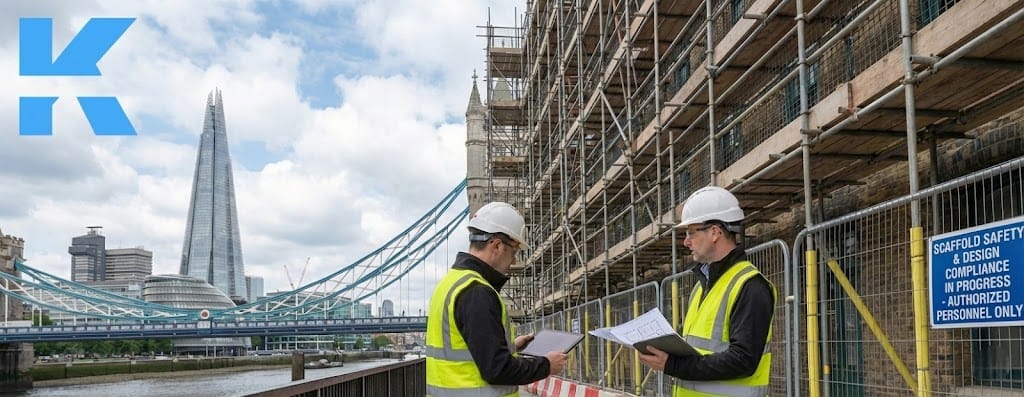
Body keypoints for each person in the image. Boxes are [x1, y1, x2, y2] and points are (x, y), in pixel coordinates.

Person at [637, 186, 777, 397]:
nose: (686, 241)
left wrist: (673, 365)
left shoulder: (750, 286)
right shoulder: (701, 287)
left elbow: (743, 360)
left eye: (691, 232)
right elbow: (698, 348)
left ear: (715, 232)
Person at [426, 201, 568, 396]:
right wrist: (546, 365)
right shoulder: (476, 292)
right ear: (497, 245)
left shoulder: (449, 284)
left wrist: (510, 346)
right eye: (514, 251)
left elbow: (469, 349)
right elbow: (497, 369)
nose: (514, 260)